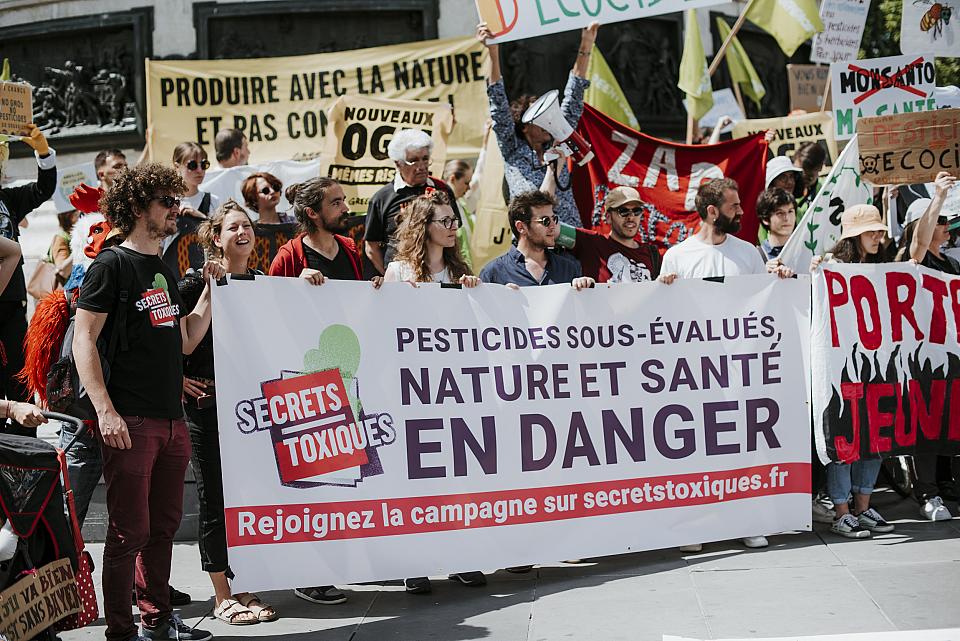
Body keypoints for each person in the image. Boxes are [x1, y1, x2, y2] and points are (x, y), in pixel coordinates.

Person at [73, 162, 223, 641]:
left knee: (162, 529)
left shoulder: (162, 265)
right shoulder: (111, 265)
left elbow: (181, 339)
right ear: (139, 208)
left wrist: (209, 292)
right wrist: (104, 409)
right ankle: (121, 631)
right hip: (130, 419)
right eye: (166, 203)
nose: (176, 210)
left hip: (170, 420)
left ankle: (158, 620)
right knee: (126, 533)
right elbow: (84, 341)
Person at [660, 178, 792, 552]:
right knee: (696, 448)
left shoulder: (748, 253)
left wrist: (780, 280)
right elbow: (661, 318)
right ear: (713, 211)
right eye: (734, 206)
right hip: (695, 373)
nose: (741, 212)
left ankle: (746, 520)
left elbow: (763, 301)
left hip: (739, 369)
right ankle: (697, 526)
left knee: (743, 445)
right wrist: (663, 287)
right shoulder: (678, 257)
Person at [381, 190, 487, 593]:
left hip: (455, 387)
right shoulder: (399, 271)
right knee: (418, 478)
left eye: (454, 221)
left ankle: (460, 557)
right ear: (423, 227)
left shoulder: (461, 271)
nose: (452, 228)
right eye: (444, 221)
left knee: (456, 476)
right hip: (414, 389)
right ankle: (416, 562)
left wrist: (476, 293)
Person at [182, 201, 278, 625]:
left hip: (249, 411)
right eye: (233, 227)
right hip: (206, 409)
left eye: (247, 226)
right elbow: (184, 344)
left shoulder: (262, 283)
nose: (244, 232)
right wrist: (209, 288)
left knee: (247, 497)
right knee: (214, 497)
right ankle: (223, 594)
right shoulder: (191, 283)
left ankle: (247, 585)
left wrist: (310, 284)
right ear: (215, 237)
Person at [811, 204, 896, 538]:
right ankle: (841, 510)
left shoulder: (881, 267)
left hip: (875, 365)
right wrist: (817, 269)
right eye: (871, 231)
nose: (878, 237)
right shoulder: (833, 266)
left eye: (879, 231)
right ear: (854, 235)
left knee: (873, 436)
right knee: (845, 437)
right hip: (841, 368)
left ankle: (863, 505)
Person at [478, 21, 597, 227]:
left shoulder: (558, 138)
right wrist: (493, 53)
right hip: (533, 244)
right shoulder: (512, 149)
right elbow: (497, 101)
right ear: (524, 126)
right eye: (539, 118)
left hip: (569, 241)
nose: (547, 122)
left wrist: (586, 43)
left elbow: (574, 93)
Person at [895, 172, 959, 521]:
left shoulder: (952, 264)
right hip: (922, 359)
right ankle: (928, 494)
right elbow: (918, 243)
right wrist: (936, 198)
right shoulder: (912, 262)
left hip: (950, 355)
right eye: (940, 221)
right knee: (927, 425)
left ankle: (947, 486)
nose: (947, 226)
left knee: (950, 421)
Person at [0, 124, 55, 427]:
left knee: (20, 378)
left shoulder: (8, 198)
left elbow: (43, 189)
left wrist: (42, 151)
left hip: (11, 303)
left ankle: (27, 460)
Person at [363, 129, 460, 276]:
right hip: (401, 278)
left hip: (440, 276)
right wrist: (392, 276)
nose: (421, 166)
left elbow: (454, 234)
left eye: (425, 158)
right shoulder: (382, 199)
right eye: (413, 160)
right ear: (398, 163)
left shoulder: (442, 189)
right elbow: (371, 246)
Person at [479, 190, 594, 290]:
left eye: (554, 219)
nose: (553, 226)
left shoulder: (569, 268)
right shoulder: (493, 272)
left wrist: (587, 291)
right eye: (545, 221)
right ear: (521, 227)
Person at [270, 178, 361, 284]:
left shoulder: (350, 248)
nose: (345, 208)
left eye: (343, 200)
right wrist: (297, 285)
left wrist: (376, 288)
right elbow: (273, 298)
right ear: (312, 213)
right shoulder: (288, 257)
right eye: (336, 203)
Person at [565, 186, 661, 283]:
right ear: (608, 217)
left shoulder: (652, 254)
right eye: (623, 211)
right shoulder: (591, 242)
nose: (631, 217)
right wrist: (552, 176)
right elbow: (552, 227)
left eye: (636, 211)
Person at [163, 142, 219, 276]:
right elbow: (158, 244)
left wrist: (202, 218)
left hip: (204, 273)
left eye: (204, 164)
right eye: (192, 165)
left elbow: (220, 239)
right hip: (173, 272)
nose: (199, 170)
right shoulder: (166, 202)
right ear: (177, 166)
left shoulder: (212, 200)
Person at [756, 188, 797, 261]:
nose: (787, 218)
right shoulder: (757, 256)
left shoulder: (806, 251)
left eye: (790, 211)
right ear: (765, 219)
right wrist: (763, 270)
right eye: (780, 213)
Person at [46, 208, 80, 289]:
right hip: (67, 291)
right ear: (71, 217)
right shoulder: (61, 238)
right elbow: (63, 270)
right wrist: (80, 248)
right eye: (78, 213)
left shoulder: (74, 235)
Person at [792, 142, 826, 216]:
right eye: (798, 171)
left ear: (820, 167)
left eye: (809, 174)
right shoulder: (787, 187)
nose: (802, 176)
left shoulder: (827, 189)